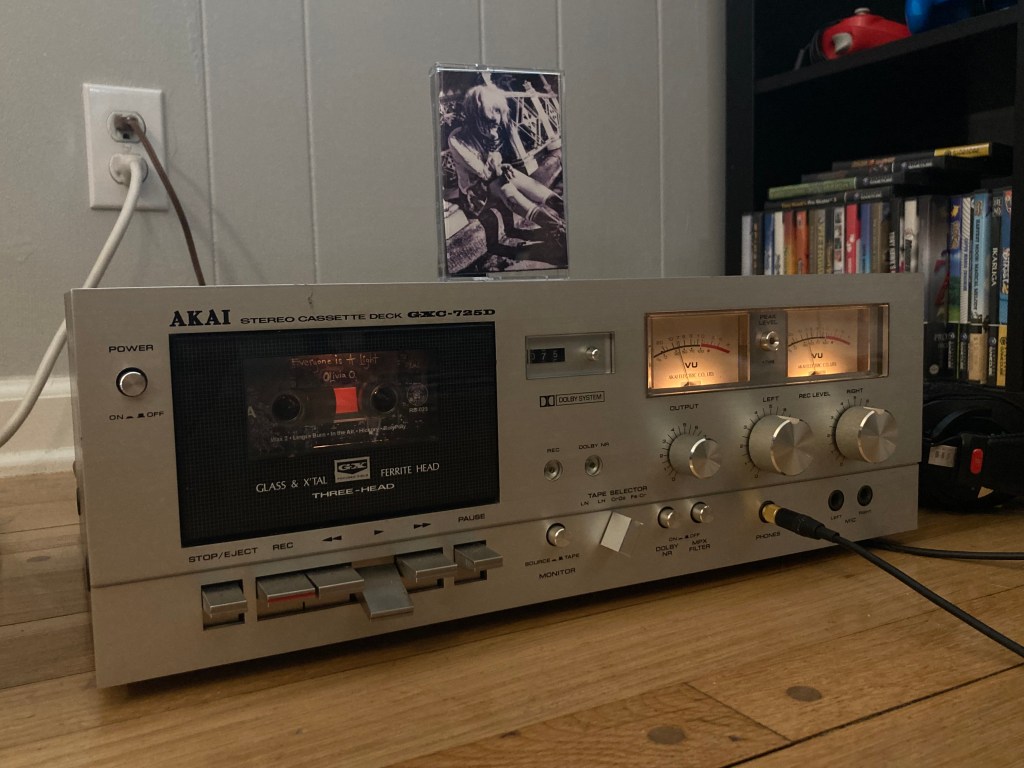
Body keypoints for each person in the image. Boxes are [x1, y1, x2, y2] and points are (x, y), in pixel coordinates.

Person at [447, 83, 565, 260]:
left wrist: (503, 165)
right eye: (490, 118)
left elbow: (496, 165)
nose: (496, 122)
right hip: (475, 195)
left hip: (493, 182)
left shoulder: (488, 131)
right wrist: (494, 146)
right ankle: (557, 229)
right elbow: (484, 174)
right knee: (504, 186)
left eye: (498, 114)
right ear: (476, 116)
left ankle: (563, 213)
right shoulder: (457, 139)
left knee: (515, 176)